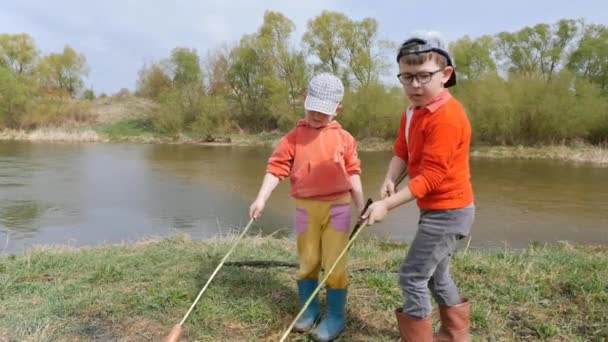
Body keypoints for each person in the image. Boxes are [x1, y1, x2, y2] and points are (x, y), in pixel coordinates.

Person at [362, 31, 475, 342]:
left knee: (412, 276)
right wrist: (389, 177)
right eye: (406, 76)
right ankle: (456, 336)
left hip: (450, 212)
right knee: (438, 276)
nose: (414, 85)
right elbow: (403, 150)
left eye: (423, 76)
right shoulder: (412, 111)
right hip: (436, 211)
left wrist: (386, 204)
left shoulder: (448, 117)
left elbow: (431, 177)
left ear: (445, 74)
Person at [249, 73, 364, 341]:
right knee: (308, 259)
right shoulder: (293, 137)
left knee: (335, 263)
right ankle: (309, 309)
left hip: (338, 209)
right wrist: (261, 198)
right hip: (304, 210)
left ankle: (335, 316)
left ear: (338, 109)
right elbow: (276, 168)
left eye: (324, 111)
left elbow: (354, 173)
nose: (317, 114)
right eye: (313, 107)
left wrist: (361, 205)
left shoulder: (345, 139)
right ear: (305, 100)